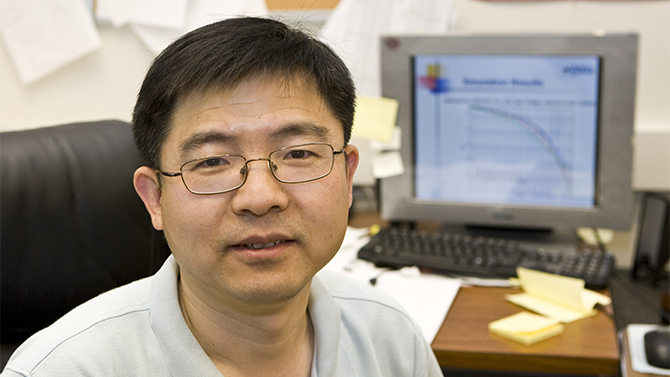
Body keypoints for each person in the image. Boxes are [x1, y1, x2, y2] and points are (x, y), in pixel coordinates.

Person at [2, 17, 443, 377]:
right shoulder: (66, 369)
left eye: (299, 154)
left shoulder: (390, 339)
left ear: (347, 177)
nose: (260, 196)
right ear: (155, 198)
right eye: (213, 162)